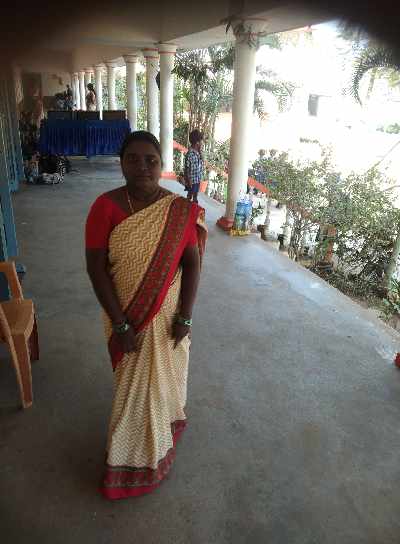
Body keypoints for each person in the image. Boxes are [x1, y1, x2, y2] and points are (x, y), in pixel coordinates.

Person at [85, 130, 207, 500]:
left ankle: (157, 444)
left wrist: (185, 317)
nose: (143, 167)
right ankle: (128, 461)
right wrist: (121, 323)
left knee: (162, 380)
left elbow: (192, 263)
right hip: (124, 313)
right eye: (133, 159)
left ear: (161, 165)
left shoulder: (177, 210)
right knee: (131, 389)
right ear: (121, 163)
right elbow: (96, 269)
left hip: (166, 315)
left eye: (151, 160)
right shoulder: (105, 207)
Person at [184, 129, 204, 203]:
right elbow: (186, 169)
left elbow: (202, 161)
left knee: (195, 195)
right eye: (201, 141)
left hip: (197, 179)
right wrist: (188, 180)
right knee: (190, 195)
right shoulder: (190, 154)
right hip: (191, 180)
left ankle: (194, 204)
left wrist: (200, 151)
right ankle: (187, 205)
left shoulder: (198, 152)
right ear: (197, 142)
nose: (202, 143)